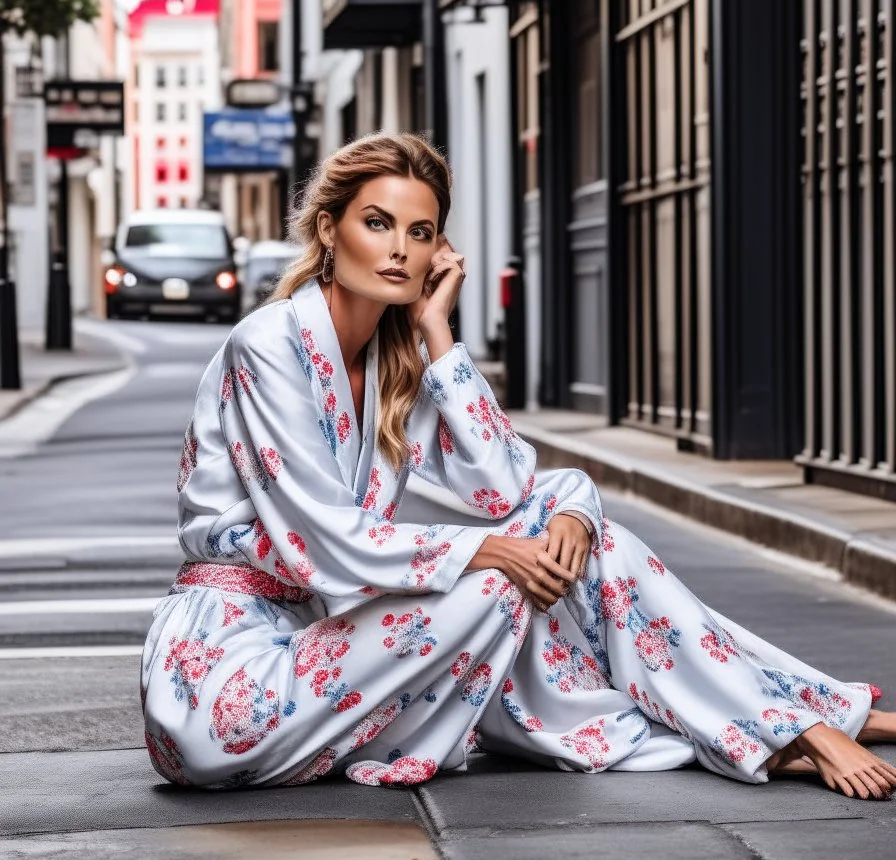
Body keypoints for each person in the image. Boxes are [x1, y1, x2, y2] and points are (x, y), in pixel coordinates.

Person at [141, 133, 896, 799]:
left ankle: (791, 722)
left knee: (579, 538)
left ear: (441, 251)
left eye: (420, 230)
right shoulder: (267, 345)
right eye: (377, 224)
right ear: (329, 230)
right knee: (505, 575)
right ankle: (779, 726)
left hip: (336, 655)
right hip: (227, 690)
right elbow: (327, 543)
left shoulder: (393, 362)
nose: (399, 248)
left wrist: (439, 335)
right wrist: (495, 548)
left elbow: (501, 489)